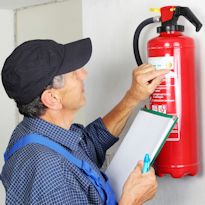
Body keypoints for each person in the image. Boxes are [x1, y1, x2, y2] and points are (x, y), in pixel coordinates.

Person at [1, 38, 169, 205]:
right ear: (52, 98)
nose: (83, 74)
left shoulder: (37, 133)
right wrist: (132, 200)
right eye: (73, 73)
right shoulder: (49, 172)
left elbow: (89, 145)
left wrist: (133, 97)